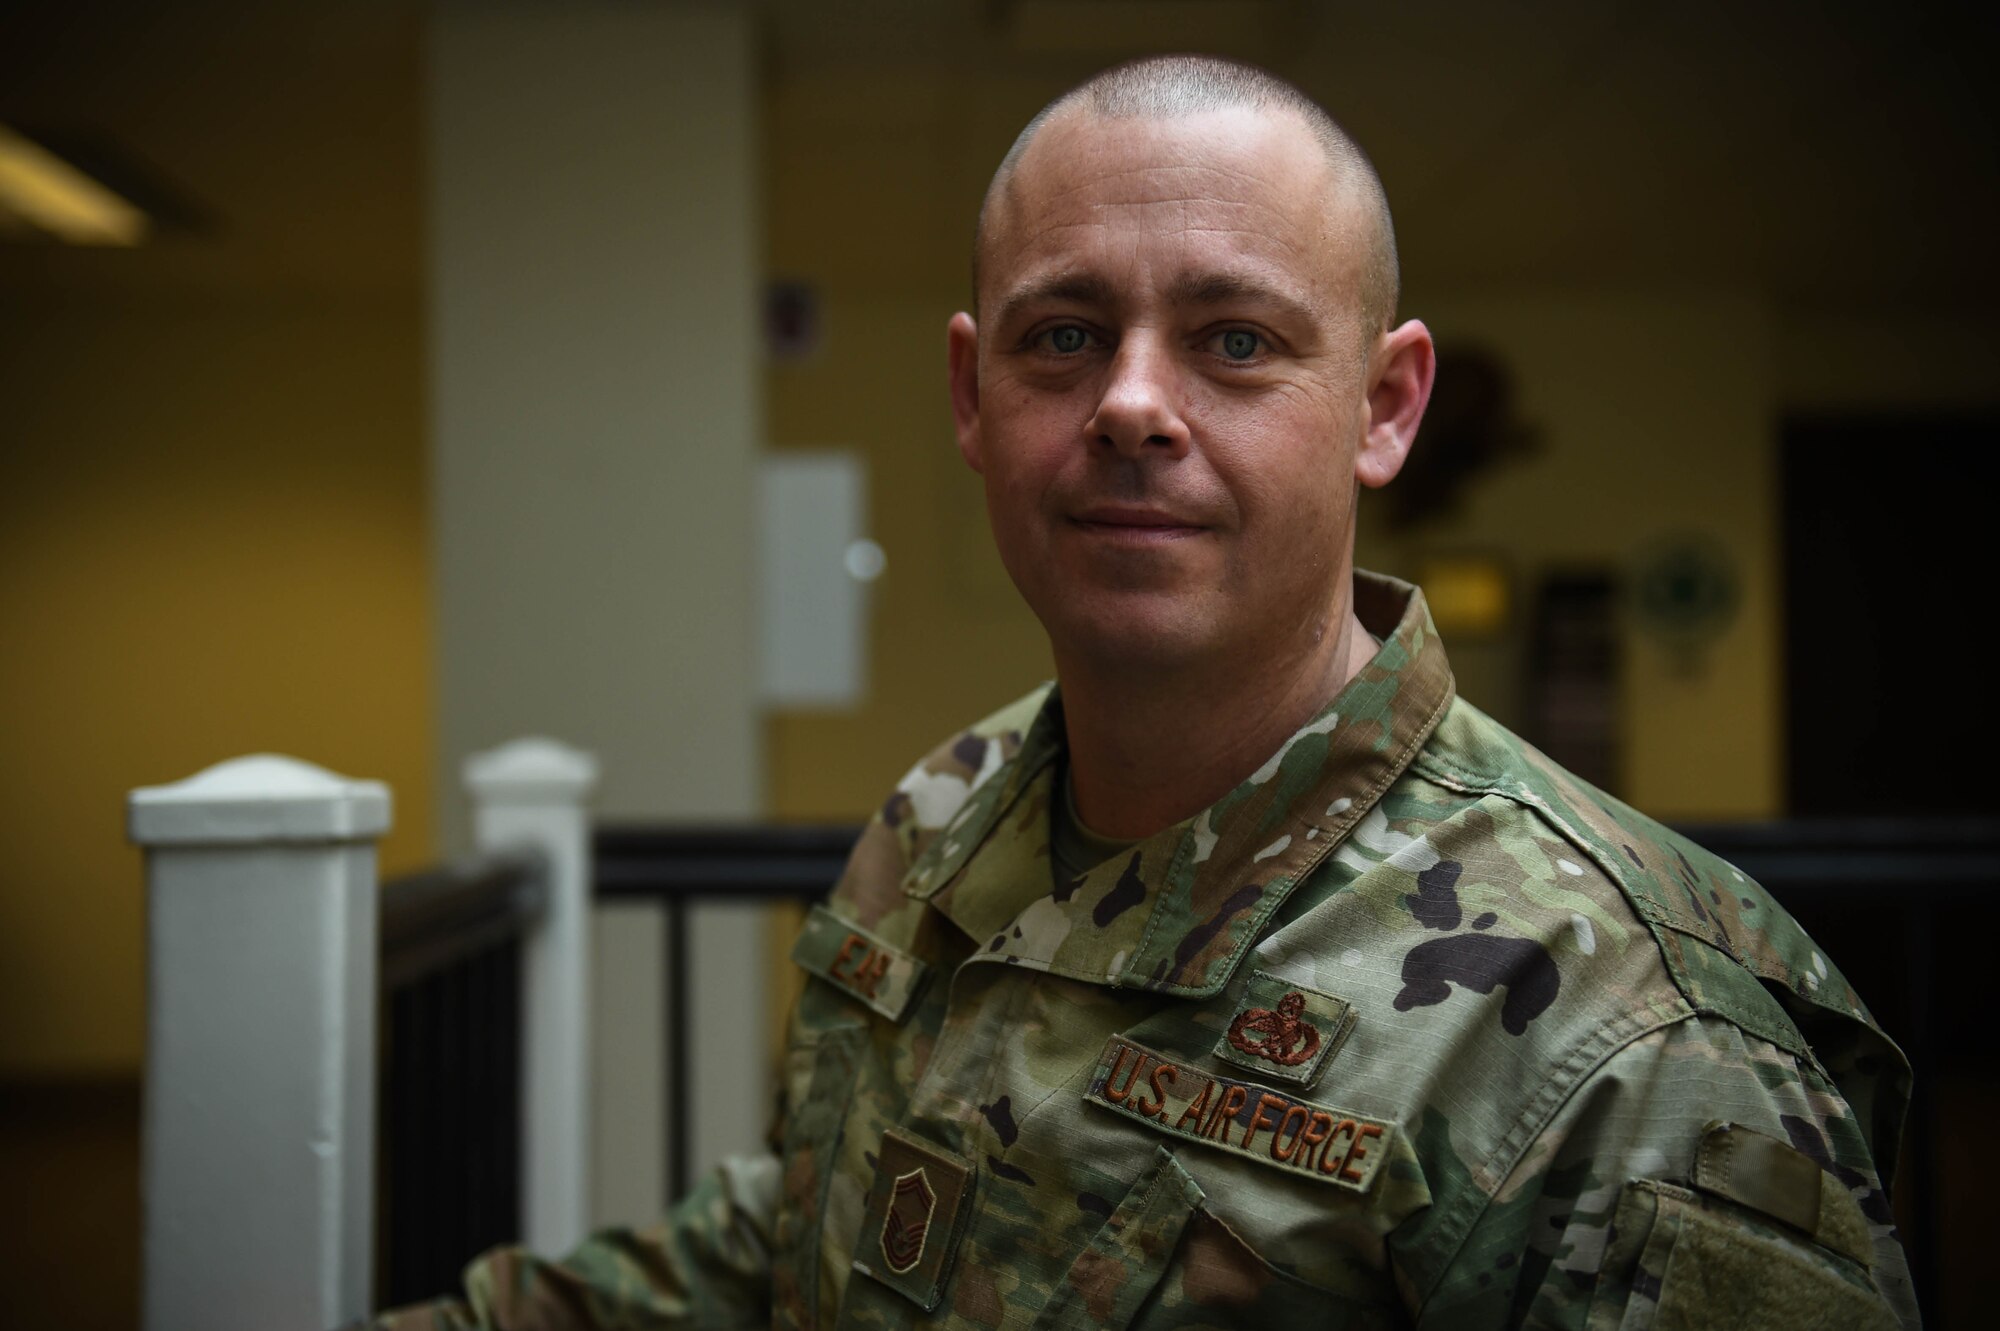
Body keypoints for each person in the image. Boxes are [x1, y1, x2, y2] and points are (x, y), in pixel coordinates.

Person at [379, 54, 1916, 1330]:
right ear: (975, 399)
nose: (1127, 403)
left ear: (1382, 409)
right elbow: (800, 1244)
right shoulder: (938, 823)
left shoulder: (1618, 1038)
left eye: (1233, 342)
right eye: (1064, 338)